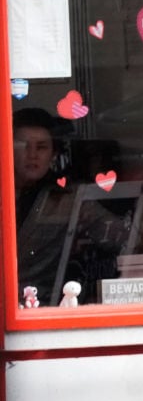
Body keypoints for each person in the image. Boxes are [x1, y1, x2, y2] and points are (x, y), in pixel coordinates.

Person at [13, 107, 75, 306]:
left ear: (53, 153)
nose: (32, 155)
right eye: (23, 145)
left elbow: (113, 231)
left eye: (41, 147)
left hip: (45, 305)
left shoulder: (64, 199)